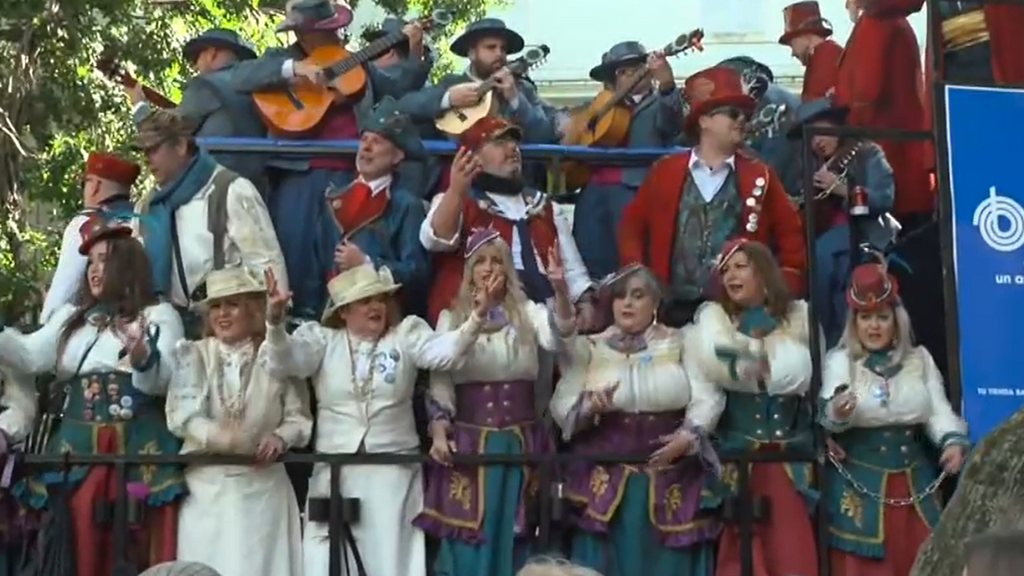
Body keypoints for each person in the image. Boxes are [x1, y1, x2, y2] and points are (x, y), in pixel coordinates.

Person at [257, 262, 501, 576]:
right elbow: (283, 361)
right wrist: (275, 322)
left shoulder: (406, 335)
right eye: (365, 301)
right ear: (344, 311)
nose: (376, 306)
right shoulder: (322, 341)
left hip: (392, 472)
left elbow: (445, 352)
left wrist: (476, 318)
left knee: (389, 561)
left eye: (380, 299)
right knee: (326, 561)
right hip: (335, 472)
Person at [0, 212, 185, 576]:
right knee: (79, 538)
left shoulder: (159, 314)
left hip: (139, 450)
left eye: (105, 259)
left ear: (128, 263)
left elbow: (167, 380)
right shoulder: (73, 319)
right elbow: (30, 355)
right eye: (91, 262)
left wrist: (142, 355)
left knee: (136, 537)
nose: (94, 270)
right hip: (79, 449)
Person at [415, 228, 575, 576]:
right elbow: (441, 388)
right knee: (470, 544)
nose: (489, 268)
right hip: (471, 447)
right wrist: (440, 436)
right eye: (480, 261)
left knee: (519, 541)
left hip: (521, 445)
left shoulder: (528, 313)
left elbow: (559, 334)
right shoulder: (451, 319)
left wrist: (561, 290)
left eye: (497, 260)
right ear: (469, 271)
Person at [550, 264, 724, 576]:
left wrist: (688, 436)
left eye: (637, 295)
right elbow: (562, 405)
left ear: (655, 303)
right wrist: (589, 406)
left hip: (672, 473)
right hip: (606, 476)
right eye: (620, 297)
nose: (627, 303)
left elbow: (707, 396)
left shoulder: (681, 341)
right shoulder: (591, 347)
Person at [260, 0, 425, 321]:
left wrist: (415, 52)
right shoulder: (281, 60)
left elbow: (400, 84)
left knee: (339, 258)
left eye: (327, 30)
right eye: (312, 32)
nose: (324, 37)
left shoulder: (355, 63)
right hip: (298, 173)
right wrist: (296, 71)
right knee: (297, 255)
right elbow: (242, 77)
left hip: (347, 173)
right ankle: (298, 322)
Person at [617, 66, 807, 328]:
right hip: (671, 313)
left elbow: (792, 235)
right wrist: (638, 275)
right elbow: (631, 225)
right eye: (732, 113)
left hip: (735, 316)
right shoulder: (665, 170)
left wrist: (779, 286)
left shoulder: (760, 173)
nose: (742, 119)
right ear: (704, 120)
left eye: (745, 114)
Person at [820, 259, 968, 576]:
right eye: (865, 318)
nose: (874, 326)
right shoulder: (841, 361)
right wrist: (837, 411)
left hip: (915, 482)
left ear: (896, 321)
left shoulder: (920, 359)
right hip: (861, 480)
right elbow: (827, 415)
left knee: (920, 558)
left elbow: (938, 411)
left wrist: (952, 442)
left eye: (882, 318)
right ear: (854, 322)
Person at [167, 265, 312, 576]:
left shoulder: (276, 355)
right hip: (207, 488)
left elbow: (299, 418)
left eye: (232, 304)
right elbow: (182, 413)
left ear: (252, 310)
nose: (223, 314)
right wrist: (220, 438)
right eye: (216, 306)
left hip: (263, 488)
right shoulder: (194, 353)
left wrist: (281, 437)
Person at [683, 239, 817, 576]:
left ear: (763, 269)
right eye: (725, 269)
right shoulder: (717, 326)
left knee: (790, 554)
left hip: (788, 463)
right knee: (742, 558)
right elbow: (710, 390)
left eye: (741, 266)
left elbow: (817, 386)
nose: (731, 275)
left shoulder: (799, 318)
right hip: (740, 462)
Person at [421, 115, 596, 326]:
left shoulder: (546, 207)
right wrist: (456, 190)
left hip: (543, 325)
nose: (513, 148)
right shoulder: (457, 200)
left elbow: (573, 272)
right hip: (476, 326)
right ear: (473, 155)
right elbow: (435, 240)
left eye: (514, 142)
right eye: (500, 142)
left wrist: (584, 301)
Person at [133, 108, 286, 337]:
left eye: (154, 149)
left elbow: (267, 265)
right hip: (169, 330)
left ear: (181, 146)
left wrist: (271, 327)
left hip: (229, 330)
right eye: (144, 151)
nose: (147, 159)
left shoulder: (230, 190)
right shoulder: (147, 208)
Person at [786, 98, 897, 346]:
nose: (817, 141)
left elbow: (884, 198)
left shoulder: (867, 152)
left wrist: (843, 189)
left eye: (821, 130)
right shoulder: (811, 166)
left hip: (862, 239)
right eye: (811, 136)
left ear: (836, 124)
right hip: (822, 242)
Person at [568, 41, 681, 280]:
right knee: (589, 255)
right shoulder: (601, 105)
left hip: (636, 188)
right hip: (593, 190)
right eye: (622, 71)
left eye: (636, 67)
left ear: (648, 70)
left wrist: (668, 85)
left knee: (632, 261)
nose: (630, 75)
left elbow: (673, 124)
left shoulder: (661, 101)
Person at [127, 28, 287, 195]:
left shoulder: (204, 85)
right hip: (262, 188)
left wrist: (139, 105)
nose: (196, 66)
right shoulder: (263, 88)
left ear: (212, 53)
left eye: (197, 58)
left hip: (215, 186)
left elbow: (163, 132)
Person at [324, 97, 431, 317]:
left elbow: (417, 273)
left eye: (378, 141)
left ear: (397, 156)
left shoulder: (406, 206)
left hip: (383, 317)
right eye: (364, 139)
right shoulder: (332, 198)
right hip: (335, 315)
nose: (366, 148)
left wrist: (367, 264)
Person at [833, 0, 930, 227]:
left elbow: (866, 92)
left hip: (886, 152)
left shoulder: (875, 24)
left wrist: (847, 134)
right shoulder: (895, 23)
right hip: (903, 154)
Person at [398, 18, 555, 143]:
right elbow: (403, 106)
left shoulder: (522, 89)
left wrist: (515, 98)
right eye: (491, 47)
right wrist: (448, 98)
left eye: (503, 49)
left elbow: (544, 136)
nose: (499, 54)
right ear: (472, 53)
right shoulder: (451, 83)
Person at [42, 151, 140, 323]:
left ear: (95, 186)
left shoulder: (85, 223)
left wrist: (46, 321)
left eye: (84, 183)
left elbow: (64, 291)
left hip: (97, 328)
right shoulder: (142, 220)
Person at [778, 1, 843, 101]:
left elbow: (815, 105)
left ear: (805, 35)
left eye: (792, 45)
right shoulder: (822, 55)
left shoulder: (825, 56)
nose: (793, 53)